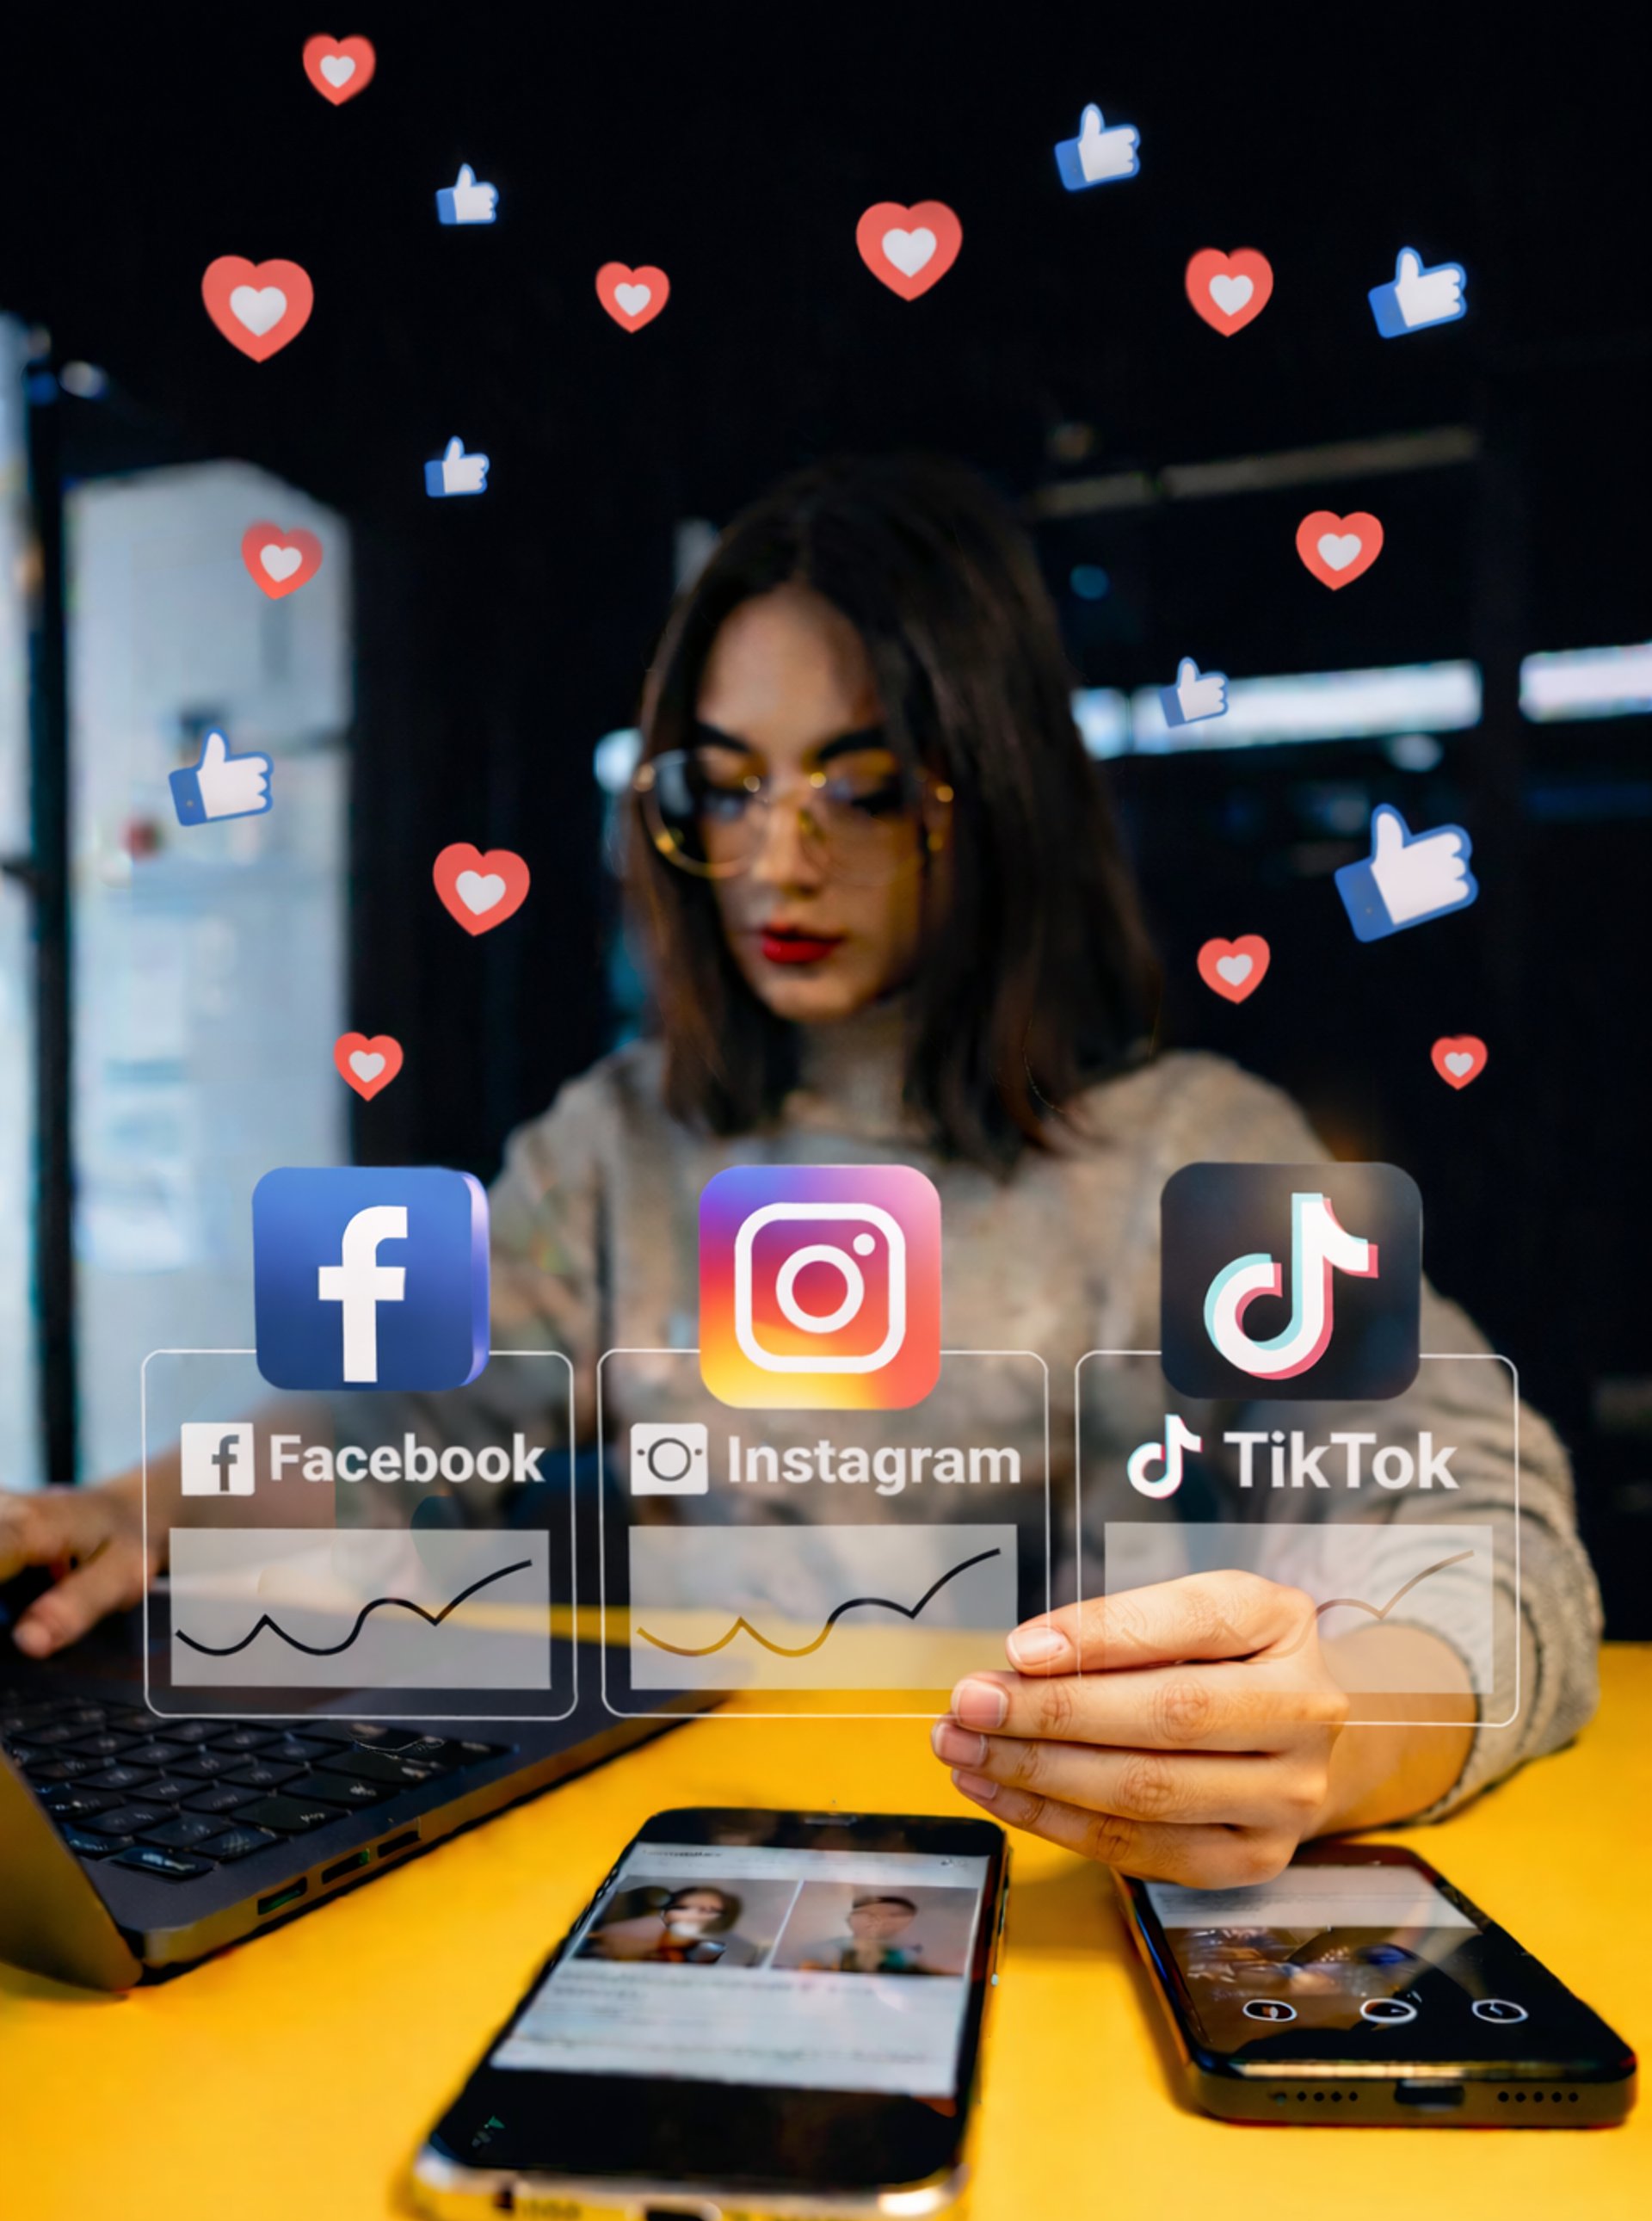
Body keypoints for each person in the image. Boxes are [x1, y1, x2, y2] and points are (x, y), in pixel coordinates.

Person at [0, 453, 1600, 1887]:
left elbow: (1477, 1508)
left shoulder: (1194, 1151)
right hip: (696, 1864)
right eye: (731, 783)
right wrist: (146, 1508)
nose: (779, 858)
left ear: (997, 797)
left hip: (1049, 1882)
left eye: (863, 782)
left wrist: (1358, 1731)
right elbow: (403, 1411)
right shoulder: (621, 1142)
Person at [581, 1885, 760, 1967]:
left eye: (709, 1911)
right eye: (684, 1907)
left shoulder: (696, 1949)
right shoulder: (648, 1916)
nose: (698, 1912)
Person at [790, 1891, 943, 1975]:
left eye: (896, 1916)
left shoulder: (903, 1957)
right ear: (851, 1919)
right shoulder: (821, 1950)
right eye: (871, 1914)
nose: (879, 1921)